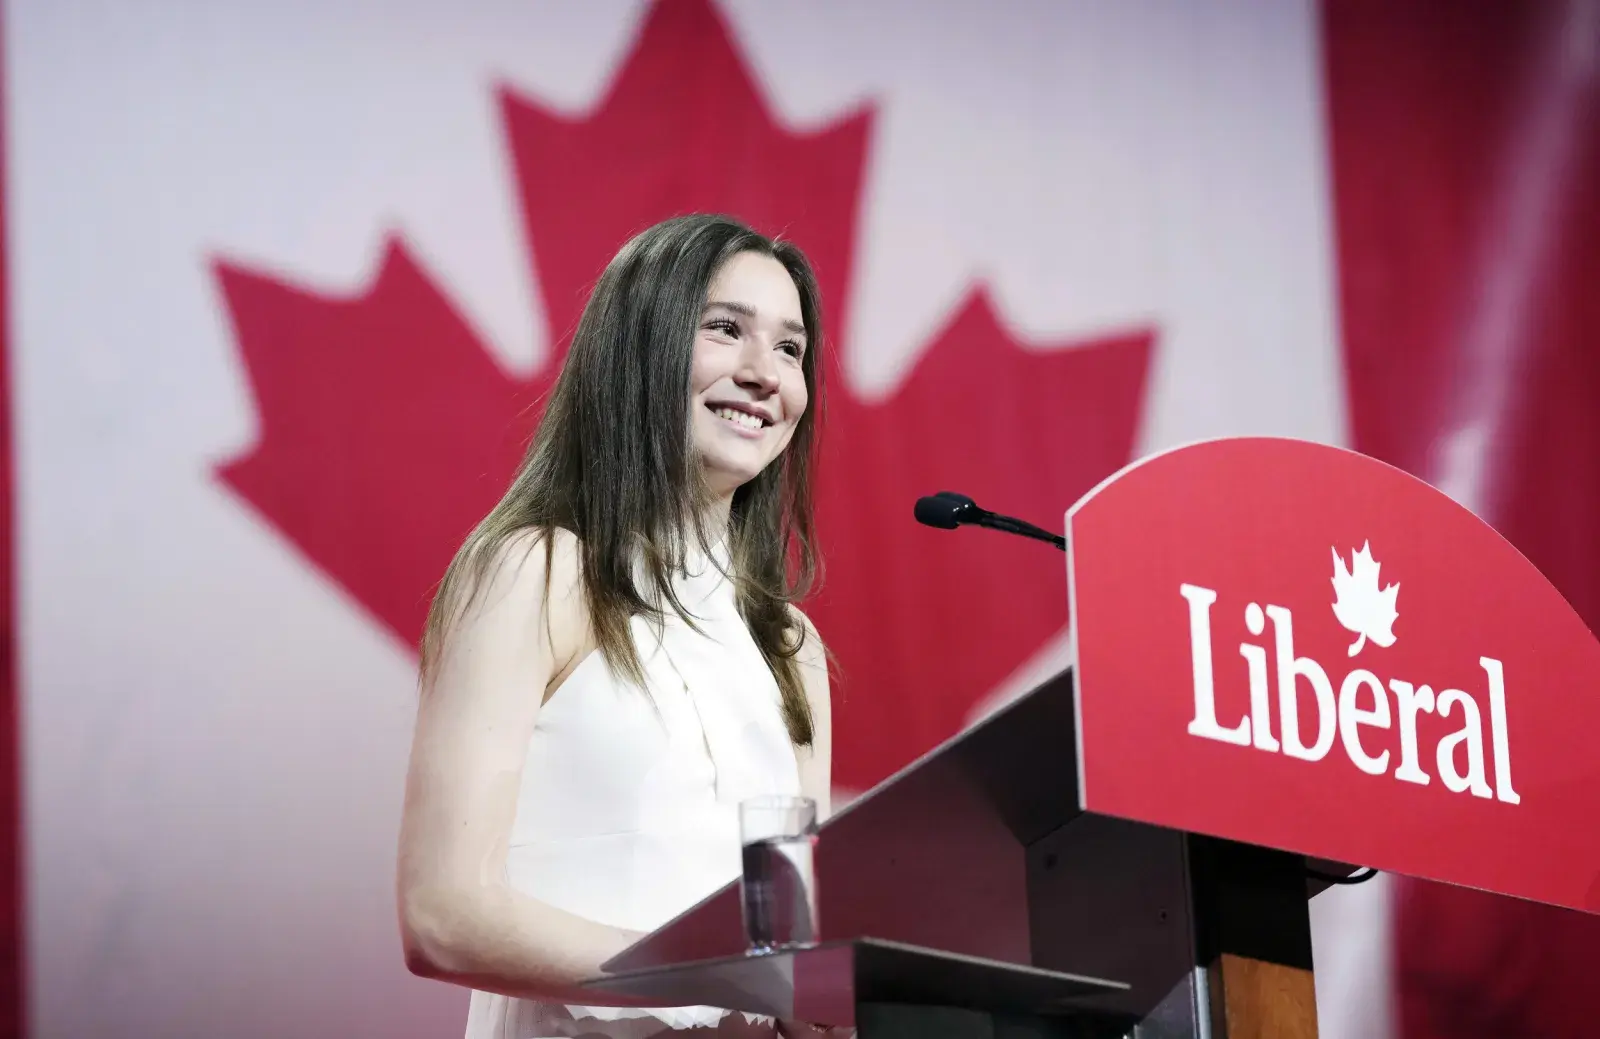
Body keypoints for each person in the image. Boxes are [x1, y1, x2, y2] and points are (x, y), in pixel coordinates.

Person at [395, 213, 839, 1038]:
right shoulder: (538, 572)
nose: (764, 373)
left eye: (790, 348)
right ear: (641, 348)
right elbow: (442, 913)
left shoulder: (790, 649)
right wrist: (720, 975)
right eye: (726, 329)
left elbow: (792, 952)